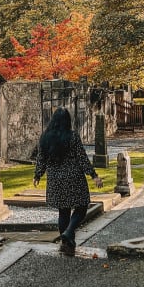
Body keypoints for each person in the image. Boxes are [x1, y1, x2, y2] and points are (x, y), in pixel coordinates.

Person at [33, 107, 102, 254]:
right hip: (73, 176)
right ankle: (69, 232)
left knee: (63, 212)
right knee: (82, 206)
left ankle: (67, 245)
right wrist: (94, 175)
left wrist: (37, 175)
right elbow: (82, 158)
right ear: (67, 121)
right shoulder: (73, 136)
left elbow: (41, 159)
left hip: (55, 179)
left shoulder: (45, 138)